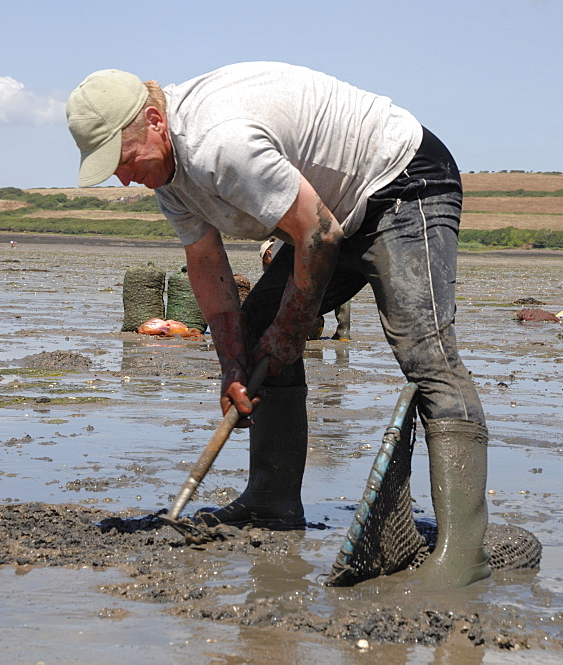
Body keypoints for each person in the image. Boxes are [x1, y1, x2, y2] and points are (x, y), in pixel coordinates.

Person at [67, 63, 490, 587]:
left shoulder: (217, 142)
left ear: (154, 120)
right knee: (259, 320)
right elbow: (207, 263)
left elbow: (318, 232)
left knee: (425, 352)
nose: (123, 177)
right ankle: (271, 501)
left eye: (124, 160)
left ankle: (463, 552)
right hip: (329, 212)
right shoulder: (171, 175)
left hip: (401, 182)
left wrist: (294, 329)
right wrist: (232, 364)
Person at [260, 237, 349, 340]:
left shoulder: (285, 258)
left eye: (266, 261)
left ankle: (342, 332)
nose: (269, 266)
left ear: (268, 252)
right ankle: (343, 332)